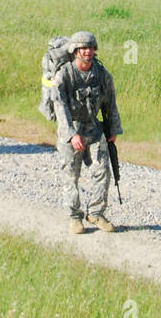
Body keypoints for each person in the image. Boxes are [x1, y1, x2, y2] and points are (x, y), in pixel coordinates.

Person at [52, 31, 122, 234]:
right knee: (71, 175)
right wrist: (71, 134)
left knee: (103, 171)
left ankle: (96, 213)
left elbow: (110, 103)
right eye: (83, 48)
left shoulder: (101, 74)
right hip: (71, 130)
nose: (88, 51)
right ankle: (75, 217)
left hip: (93, 128)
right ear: (75, 51)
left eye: (91, 48)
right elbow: (60, 107)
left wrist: (113, 129)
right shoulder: (64, 74)